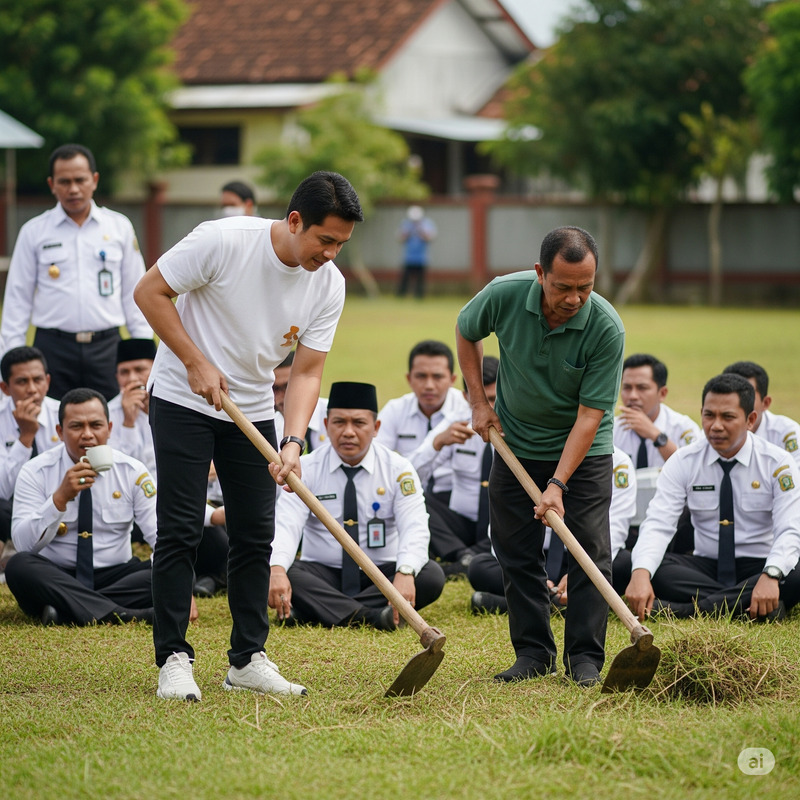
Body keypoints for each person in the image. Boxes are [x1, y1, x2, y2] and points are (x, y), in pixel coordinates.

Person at [134, 170, 363, 702]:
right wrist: (194, 362)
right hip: (181, 396)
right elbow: (150, 291)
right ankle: (173, 657)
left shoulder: (329, 283)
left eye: (341, 245)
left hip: (253, 407)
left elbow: (306, 372)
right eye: (324, 240)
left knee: (255, 534)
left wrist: (293, 441)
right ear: (294, 220)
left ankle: (247, 659)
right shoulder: (223, 240)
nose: (331, 254)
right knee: (181, 529)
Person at [456, 226, 625, 687]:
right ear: (539, 274)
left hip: (584, 450)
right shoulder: (505, 295)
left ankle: (585, 658)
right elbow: (466, 330)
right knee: (514, 547)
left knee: (587, 547)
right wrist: (477, 401)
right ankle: (533, 652)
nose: (574, 299)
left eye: (586, 288)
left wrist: (557, 485)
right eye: (563, 287)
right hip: (515, 442)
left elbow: (590, 417)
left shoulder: (606, 327)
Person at [269, 382, 445, 629]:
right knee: (284, 572)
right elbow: (286, 525)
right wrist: (277, 569)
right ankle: (369, 617)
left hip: (380, 576)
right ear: (325, 424)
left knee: (430, 575)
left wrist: (405, 572)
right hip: (322, 573)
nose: (348, 432)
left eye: (359, 423)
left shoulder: (398, 469)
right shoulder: (304, 469)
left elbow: (414, 526)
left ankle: (321, 610)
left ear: (376, 427)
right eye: (339, 422)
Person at [625, 374, 800, 621]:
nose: (716, 426)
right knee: (651, 568)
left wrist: (771, 574)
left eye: (727, 417)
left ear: (751, 420)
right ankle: (751, 607)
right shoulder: (684, 461)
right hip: (705, 566)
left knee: (793, 571)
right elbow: (658, 523)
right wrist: (640, 574)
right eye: (709, 415)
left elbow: (790, 529)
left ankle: (684, 611)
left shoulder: (778, 463)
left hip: (760, 563)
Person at [0, 144, 153, 401]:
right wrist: (13, 361)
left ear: (94, 180)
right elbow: (17, 300)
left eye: (80, 180)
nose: (73, 189)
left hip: (108, 347)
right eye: (64, 181)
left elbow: (135, 294)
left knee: (111, 422)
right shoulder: (34, 231)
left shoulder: (118, 227)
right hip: (52, 348)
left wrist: (142, 355)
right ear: (52, 184)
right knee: (50, 424)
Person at [5, 388, 158, 626]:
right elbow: (24, 545)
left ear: (109, 428)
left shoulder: (132, 471)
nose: (87, 435)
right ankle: (125, 614)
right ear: (60, 431)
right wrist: (59, 499)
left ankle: (65, 610)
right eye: (76, 426)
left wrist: (178, 587)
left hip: (115, 574)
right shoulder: (36, 471)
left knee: (169, 570)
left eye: (96, 425)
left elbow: (159, 534)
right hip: (58, 574)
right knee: (19, 566)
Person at [469, 446, 637, 613]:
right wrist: (526, 572)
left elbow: (615, 528)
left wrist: (581, 572)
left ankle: (528, 603)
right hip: (533, 556)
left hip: (583, 557)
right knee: (480, 567)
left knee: (624, 564)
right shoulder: (527, 452)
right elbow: (505, 518)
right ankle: (558, 602)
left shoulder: (618, 461)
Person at [413, 356, 499, 575]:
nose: (489, 409)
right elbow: (410, 475)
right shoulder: (457, 420)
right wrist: (438, 442)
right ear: (465, 397)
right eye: (481, 401)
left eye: (494, 399)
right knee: (417, 499)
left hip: (501, 523)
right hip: (461, 524)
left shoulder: (523, 425)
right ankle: (464, 556)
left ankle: (461, 562)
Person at [376, 339, 470, 511]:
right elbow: (378, 464)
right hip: (406, 494)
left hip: (454, 502)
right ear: (409, 378)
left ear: (452, 379)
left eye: (437, 376)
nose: (429, 386)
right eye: (421, 376)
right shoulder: (394, 410)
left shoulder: (467, 410)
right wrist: (437, 443)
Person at [0, 347, 61, 553]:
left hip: (56, 501)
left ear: (48, 381)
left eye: (38, 380)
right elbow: (3, 491)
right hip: (11, 507)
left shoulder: (63, 414)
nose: (32, 389)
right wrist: (26, 437)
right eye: (22, 382)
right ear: (5, 388)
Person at [614, 353, 702, 469]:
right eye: (627, 388)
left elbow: (695, 472)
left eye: (642, 388)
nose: (633, 396)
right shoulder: (611, 430)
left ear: (662, 393)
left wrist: (656, 436)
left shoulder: (683, 428)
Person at [722, 361, 800, 466]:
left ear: (765, 403)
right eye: (730, 396)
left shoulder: (786, 433)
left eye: (746, 396)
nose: (737, 404)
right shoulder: (712, 434)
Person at [107, 338, 158, 475]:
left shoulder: (173, 404)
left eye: (139, 369)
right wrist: (128, 422)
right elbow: (118, 468)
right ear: (117, 377)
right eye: (124, 372)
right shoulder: (107, 414)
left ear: (156, 370)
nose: (132, 379)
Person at [273, 349, 328, 451]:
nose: (281, 398)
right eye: (274, 389)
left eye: (287, 386)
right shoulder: (267, 429)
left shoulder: (338, 417)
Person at [396, 205, 436, 299]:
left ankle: (419, 296)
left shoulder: (426, 224)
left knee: (420, 280)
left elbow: (430, 238)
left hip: (421, 258)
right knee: (404, 279)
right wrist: (408, 233)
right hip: (408, 257)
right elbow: (400, 238)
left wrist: (420, 231)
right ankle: (401, 295)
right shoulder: (406, 224)